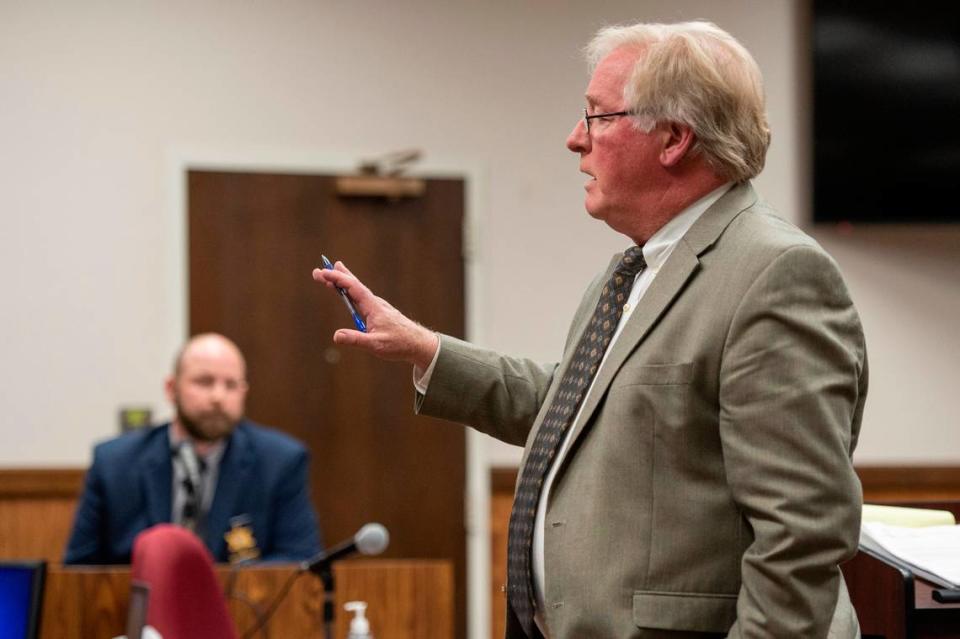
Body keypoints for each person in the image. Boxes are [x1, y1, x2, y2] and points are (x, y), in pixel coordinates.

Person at [313, 21, 866, 639]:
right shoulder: (634, 268)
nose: (575, 139)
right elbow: (576, 411)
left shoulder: (776, 274)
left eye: (598, 116)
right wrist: (425, 348)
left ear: (674, 139)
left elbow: (804, 533)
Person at [64, 333, 322, 565]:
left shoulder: (280, 461)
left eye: (231, 385)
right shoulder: (115, 463)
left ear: (244, 393)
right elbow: (79, 568)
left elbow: (300, 558)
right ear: (171, 389)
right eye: (204, 382)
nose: (218, 397)